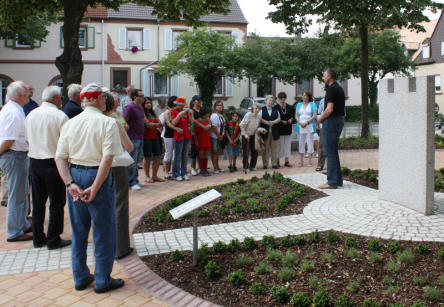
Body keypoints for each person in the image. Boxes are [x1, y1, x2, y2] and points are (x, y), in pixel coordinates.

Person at [55, 83, 124, 293]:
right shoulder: (107, 123)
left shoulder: (70, 123)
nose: (106, 101)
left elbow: (59, 157)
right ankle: (102, 279)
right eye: (103, 98)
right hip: (97, 175)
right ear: (96, 99)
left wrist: (70, 183)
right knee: (103, 231)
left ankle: (81, 277)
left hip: (76, 173)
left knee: (79, 231)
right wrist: (95, 186)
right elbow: (107, 158)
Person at [25, 85, 71, 249]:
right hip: (54, 162)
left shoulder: (31, 114)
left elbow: (27, 139)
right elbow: (67, 142)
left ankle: (38, 238)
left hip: (35, 161)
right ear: (56, 98)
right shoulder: (60, 116)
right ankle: (53, 238)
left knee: (38, 202)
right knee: (57, 202)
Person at [102, 92, 134, 260]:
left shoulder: (87, 121)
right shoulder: (113, 122)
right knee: (120, 203)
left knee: (101, 205)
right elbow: (129, 147)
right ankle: (120, 247)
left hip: (93, 166)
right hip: (115, 166)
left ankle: (103, 245)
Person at [0, 81, 32, 242]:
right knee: (17, 195)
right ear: (19, 95)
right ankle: (14, 231)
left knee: (21, 193)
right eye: (27, 92)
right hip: (14, 155)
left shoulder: (14, 109)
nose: (29, 95)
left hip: (17, 155)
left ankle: (22, 223)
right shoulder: (12, 112)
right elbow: (9, 139)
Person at [316, 69, 345, 189]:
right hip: (339, 120)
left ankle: (332, 182)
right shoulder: (339, 88)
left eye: (324, 76)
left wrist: (319, 119)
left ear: (329, 76)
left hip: (331, 122)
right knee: (333, 151)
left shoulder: (331, 89)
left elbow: (329, 109)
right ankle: (338, 180)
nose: (323, 78)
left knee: (329, 152)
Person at [124, 89, 145, 191]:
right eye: (141, 96)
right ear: (135, 97)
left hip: (140, 136)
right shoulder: (130, 107)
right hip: (132, 137)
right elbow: (124, 120)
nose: (143, 97)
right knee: (132, 161)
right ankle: (131, 182)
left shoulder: (140, 106)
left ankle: (135, 180)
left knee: (136, 161)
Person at [142, 97, 164, 183]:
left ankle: (154, 175)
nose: (149, 104)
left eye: (149, 103)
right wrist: (155, 125)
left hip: (155, 137)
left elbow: (160, 124)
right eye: (147, 103)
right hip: (146, 137)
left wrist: (153, 125)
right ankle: (147, 176)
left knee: (158, 156)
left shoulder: (153, 112)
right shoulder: (142, 113)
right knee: (147, 157)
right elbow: (148, 125)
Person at [171, 97, 193, 181]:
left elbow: (190, 122)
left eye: (183, 105)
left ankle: (184, 173)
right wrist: (179, 114)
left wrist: (190, 114)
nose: (181, 107)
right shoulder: (173, 111)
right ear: (176, 104)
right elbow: (173, 123)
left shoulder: (186, 112)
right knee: (177, 155)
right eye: (180, 105)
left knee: (185, 155)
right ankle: (176, 173)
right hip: (178, 136)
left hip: (186, 135)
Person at [295, 91, 318, 167]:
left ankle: (309, 161)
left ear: (309, 97)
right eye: (303, 95)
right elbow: (296, 116)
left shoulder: (313, 104)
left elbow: (314, 115)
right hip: (300, 126)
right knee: (301, 143)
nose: (304, 97)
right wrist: (300, 123)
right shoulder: (299, 104)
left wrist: (307, 123)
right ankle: (301, 161)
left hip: (309, 126)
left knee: (310, 143)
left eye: (305, 95)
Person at [260, 95, 280, 169]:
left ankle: (274, 164)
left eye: (272, 101)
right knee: (265, 149)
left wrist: (273, 122)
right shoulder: (262, 109)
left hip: (274, 132)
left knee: (274, 148)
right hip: (265, 132)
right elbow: (260, 118)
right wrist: (267, 122)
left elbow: (279, 118)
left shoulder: (275, 109)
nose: (271, 102)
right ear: (266, 101)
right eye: (269, 101)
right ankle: (265, 164)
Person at [239, 103, 261, 173]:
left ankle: (252, 166)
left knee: (255, 152)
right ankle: (246, 167)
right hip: (246, 135)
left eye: (258, 108)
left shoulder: (258, 116)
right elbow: (241, 126)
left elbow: (257, 126)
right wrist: (245, 135)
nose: (257, 110)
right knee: (246, 152)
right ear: (252, 109)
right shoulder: (248, 115)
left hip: (253, 135)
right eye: (255, 108)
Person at [276, 91, 295, 167]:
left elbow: (293, 115)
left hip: (288, 128)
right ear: (278, 98)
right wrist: (281, 121)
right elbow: (274, 117)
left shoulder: (289, 107)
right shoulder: (276, 107)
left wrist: (291, 119)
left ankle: (286, 161)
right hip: (279, 129)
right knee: (279, 146)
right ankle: (277, 162)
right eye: (281, 97)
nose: (282, 99)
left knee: (287, 145)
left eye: (284, 97)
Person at [161, 96, 177, 179]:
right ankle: (166, 172)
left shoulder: (177, 111)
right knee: (168, 154)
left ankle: (172, 171)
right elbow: (167, 123)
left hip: (176, 135)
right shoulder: (167, 112)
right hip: (169, 135)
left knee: (175, 154)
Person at [193, 106, 212, 176]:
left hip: (207, 139)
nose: (209, 114)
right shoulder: (197, 121)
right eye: (207, 113)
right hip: (200, 140)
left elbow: (210, 128)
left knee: (206, 154)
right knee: (201, 154)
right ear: (204, 113)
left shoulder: (208, 121)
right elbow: (194, 133)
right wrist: (196, 141)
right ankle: (201, 169)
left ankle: (205, 169)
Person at [210, 101, 226, 173]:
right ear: (215, 107)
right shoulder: (214, 115)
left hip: (220, 136)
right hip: (215, 137)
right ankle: (215, 168)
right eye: (218, 105)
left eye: (221, 105)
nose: (220, 106)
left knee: (217, 152)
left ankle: (218, 167)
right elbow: (213, 126)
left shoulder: (221, 115)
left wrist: (222, 135)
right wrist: (219, 135)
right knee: (215, 152)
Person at [315, 98, 326, 171]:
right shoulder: (322, 101)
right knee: (321, 145)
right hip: (323, 125)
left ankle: (332, 164)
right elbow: (319, 112)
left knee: (332, 146)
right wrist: (318, 122)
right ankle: (320, 164)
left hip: (332, 125)